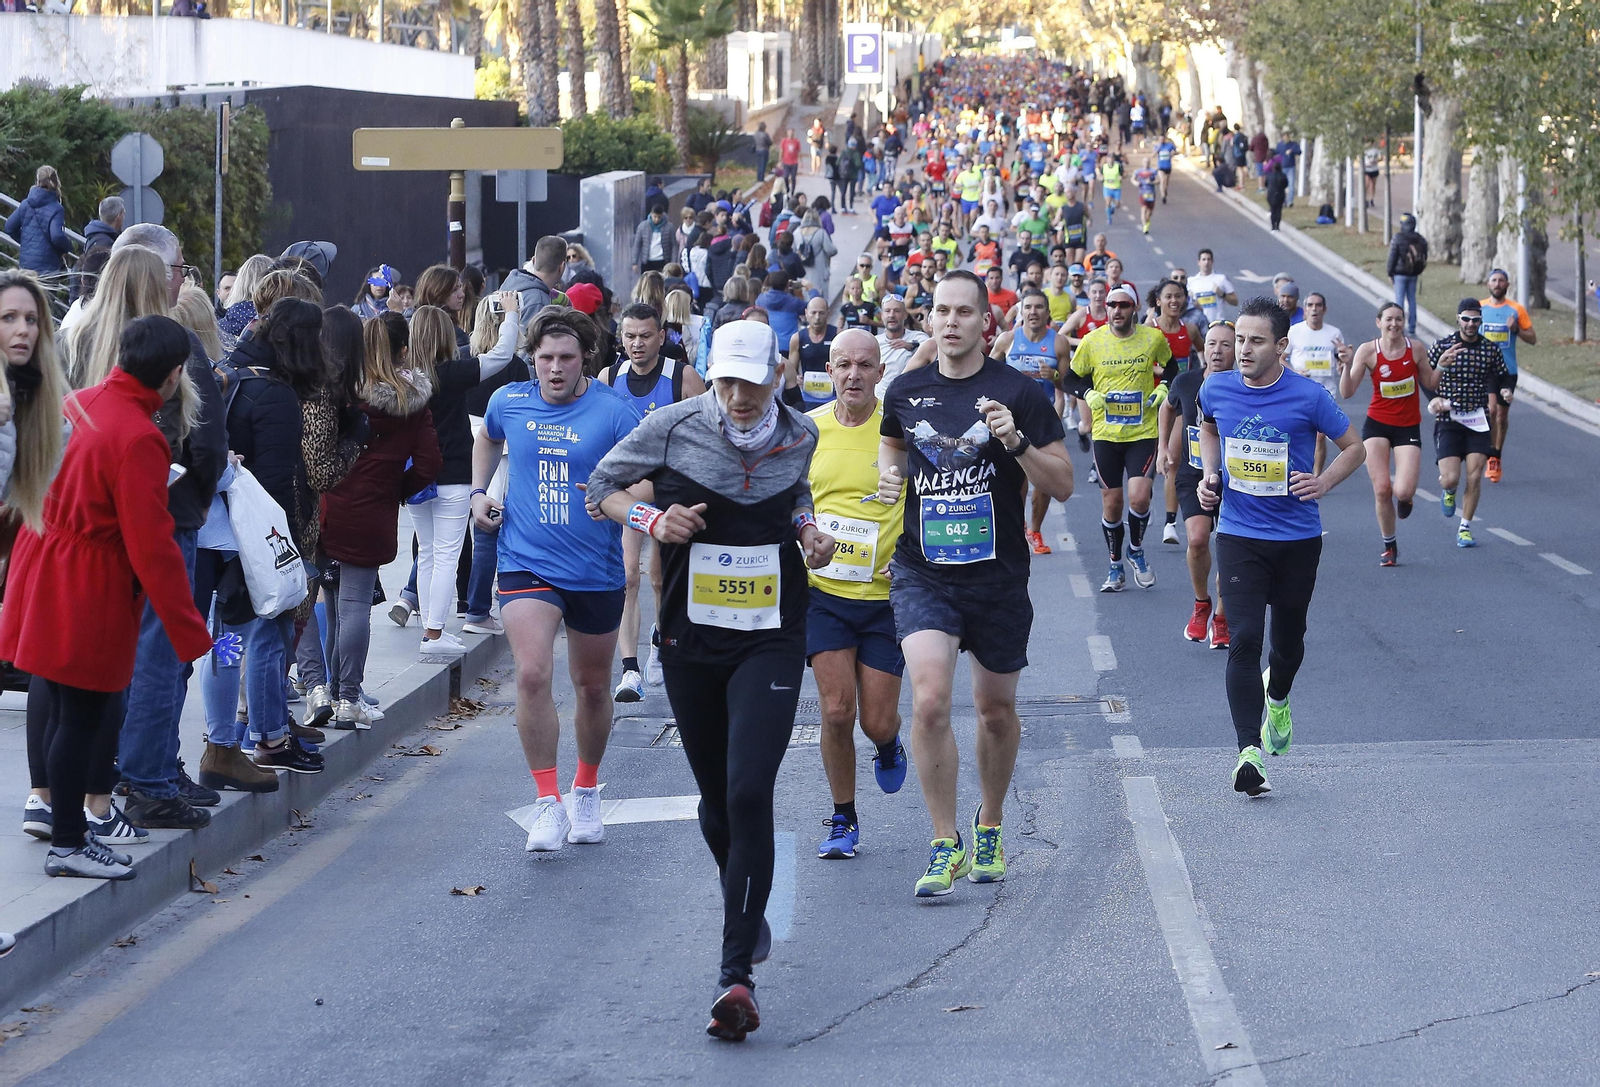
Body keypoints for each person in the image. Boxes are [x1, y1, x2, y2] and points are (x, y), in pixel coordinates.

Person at [585, 320, 836, 1042]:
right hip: (692, 639)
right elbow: (599, 487)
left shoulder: (801, 433)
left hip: (774, 635)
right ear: (709, 375)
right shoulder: (669, 427)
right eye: (726, 381)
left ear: (777, 375)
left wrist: (808, 529)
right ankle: (746, 904)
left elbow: (795, 499)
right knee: (718, 803)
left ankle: (736, 974)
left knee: (750, 788)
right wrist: (652, 517)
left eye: (752, 382)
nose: (739, 397)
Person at [875, 271, 1072, 898]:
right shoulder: (905, 391)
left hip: (998, 577)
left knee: (995, 709)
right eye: (941, 311)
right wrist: (888, 480)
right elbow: (892, 452)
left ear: (987, 322)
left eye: (964, 312)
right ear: (929, 321)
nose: (951, 321)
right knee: (929, 701)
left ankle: (990, 823)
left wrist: (1015, 443)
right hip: (923, 572)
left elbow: (1063, 483)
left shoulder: (1018, 392)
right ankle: (944, 841)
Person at [1, 316, 220, 879]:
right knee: (82, 716)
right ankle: (70, 844)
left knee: (62, 708)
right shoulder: (142, 436)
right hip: (89, 582)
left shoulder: (79, 401)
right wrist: (190, 631)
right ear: (172, 378)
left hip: (45, 559)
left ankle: (67, 832)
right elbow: (153, 547)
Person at [470, 307, 643, 857]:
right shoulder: (509, 402)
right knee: (531, 674)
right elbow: (487, 441)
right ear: (532, 360)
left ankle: (585, 788)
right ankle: (547, 801)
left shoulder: (614, 413)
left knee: (592, 686)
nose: (555, 368)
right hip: (526, 561)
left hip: (595, 570)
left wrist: (618, 507)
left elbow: (645, 483)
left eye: (566, 357)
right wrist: (479, 493)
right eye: (545, 358)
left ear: (584, 358)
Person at [1196, 298, 1365, 797]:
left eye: (1255, 341)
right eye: (1239, 340)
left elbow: (1353, 448)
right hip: (1239, 533)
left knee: (1287, 644)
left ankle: (1280, 695)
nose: (1242, 350)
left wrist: (1324, 482)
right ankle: (1248, 753)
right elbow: (1207, 426)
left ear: (1281, 346)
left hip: (1296, 538)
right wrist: (1210, 474)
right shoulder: (1216, 387)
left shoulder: (1308, 397)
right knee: (1244, 637)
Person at [309, 311, 441, 730]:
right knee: (354, 608)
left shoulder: (341, 394)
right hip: (374, 511)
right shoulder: (412, 402)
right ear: (403, 351)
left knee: (325, 602)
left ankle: (323, 688)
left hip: (328, 504)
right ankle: (348, 695)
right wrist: (397, 487)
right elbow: (429, 462)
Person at [807, 330, 908, 860]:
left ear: (879, 372)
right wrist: (802, 537)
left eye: (864, 366)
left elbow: (928, 500)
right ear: (829, 369)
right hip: (823, 594)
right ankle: (843, 817)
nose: (853, 375)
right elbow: (793, 502)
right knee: (837, 709)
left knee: (875, 720)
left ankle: (889, 743)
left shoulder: (898, 432)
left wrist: (908, 554)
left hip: (886, 598)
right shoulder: (809, 430)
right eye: (843, 365)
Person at [599, 303, 707, 700]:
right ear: (620, 338)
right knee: (628, 576)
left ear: (662, 337)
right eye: (630, 336)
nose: (637, 344)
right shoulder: (610, 377)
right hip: (627, 496)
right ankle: (629, 671)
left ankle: (660, 642)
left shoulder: (682, 376)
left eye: (646, 336)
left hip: (669, 495)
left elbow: (709, 433)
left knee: (660, 578)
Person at [1065, 284, 1173, 592]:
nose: (1116, 310)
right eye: (1112, 304)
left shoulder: (1152, 338)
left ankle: (1135, 550)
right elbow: (1072, 377)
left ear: (1134, 308)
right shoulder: (1092, 341)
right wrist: (1087, 393)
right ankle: (1115, 566)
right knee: (1112, 503)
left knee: (1139, 497)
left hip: (1143, 430)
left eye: (1123, 305)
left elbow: (1173, 367)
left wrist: (1163, 387)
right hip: (1106, 433)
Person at [1339, 302, 1434, 566]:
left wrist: (1443, 366)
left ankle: (1406, 499)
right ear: (1378, 322)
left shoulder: (1415, 349)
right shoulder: (1368, 351)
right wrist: (1347, 366)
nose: (1394, 324)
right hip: (1377, 425)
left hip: (1407, 427)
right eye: (1389, 319)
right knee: (1382, 489)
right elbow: (1347, 392)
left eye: (1399, 319)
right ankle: (1389, 545)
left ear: (1404, 323)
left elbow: (1430, 382)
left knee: (1402, 491)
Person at [1161, 320, 1234, 647]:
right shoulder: (1187, 381)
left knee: (1232, 550)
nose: (1217, 350)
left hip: (1235, 478)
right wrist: (1163, 446)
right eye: (1212, 344)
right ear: (1203, 348)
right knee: (1198, 539)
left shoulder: (1244, 385)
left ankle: (1222, 615)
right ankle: (1201, 603)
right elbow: (1167, 406)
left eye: (1225, 345)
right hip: (1194, 473)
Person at [992, 288, 1073, 555]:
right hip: (1011, 419)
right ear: (1021, 311)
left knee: (1043, 479)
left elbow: (1068, 384)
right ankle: (1016, 526)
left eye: (1039, 307)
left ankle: (1035, 530)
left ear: (1048, 313)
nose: (1033, 312)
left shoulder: (1058, 342)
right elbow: (986, 373)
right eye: (1028, 307)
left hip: (1042, 419)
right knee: (1017, 479)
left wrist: (1054, 378)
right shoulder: (1007, 340)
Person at [1428, 299, 1512, 549]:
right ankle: (1449, 491)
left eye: (1476, 320)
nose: (1471, 324)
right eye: (1466, 319)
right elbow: (1425, 376)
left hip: (1477, 419)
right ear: (1458, 319)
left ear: (1481, 321)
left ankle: (1464, 527)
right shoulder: (1443, 345)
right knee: (1450, 478)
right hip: (1448, 420)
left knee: (1475, 476)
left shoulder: (1489, 349)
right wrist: (1435, 400)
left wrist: (1506, 389)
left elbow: (1502, 373)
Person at [1284, 292, 1353, 474]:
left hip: (1325, 390)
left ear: (1324, 309)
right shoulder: (1295, 331)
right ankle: (1295, 466)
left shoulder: (1334, 333)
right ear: (1305, 310)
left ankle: (1315, 475)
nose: (1314, 309)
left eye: (1318, 305)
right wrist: (1295, 372)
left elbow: (1340, 358)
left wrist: (1342, 362)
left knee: (1320, 435)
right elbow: (1281, 358)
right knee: (1297, 431)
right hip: (1299, 389)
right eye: (1310, 305)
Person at [1479, 268, 1535, 482]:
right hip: (1486, 370)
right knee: (1491, 410)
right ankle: (1490, 453)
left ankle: (1497, 455)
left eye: (1501, 280)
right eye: (1494, 280)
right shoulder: (1480, 308)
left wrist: (1517, 330)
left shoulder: (1516, 309)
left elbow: (1532, 338)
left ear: (1507, 285)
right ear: (1488, 284)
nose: (1497, 284)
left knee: (1502, 415)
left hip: (1508, 370)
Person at [3, 166, 73, 275]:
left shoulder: (26, 203)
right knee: (45, 292)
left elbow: (9, 227)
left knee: (27, 291)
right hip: (47, 268)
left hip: (26, 266)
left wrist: (28, 241)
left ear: (37, 181)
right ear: (56, 182)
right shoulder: (56, 208)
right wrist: (69, 247)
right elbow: (57, 236)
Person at [786, 296, 837, 409]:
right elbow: (791, 371)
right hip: (808, 397)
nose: (817, 317)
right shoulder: (798, 338)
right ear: (806, 313)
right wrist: (796, 378)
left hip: (832, 397)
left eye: (821, 313)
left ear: (828, 314)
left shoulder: (837, 335)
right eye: (813, 313)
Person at [874, 295, 928, 394]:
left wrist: (910, 346)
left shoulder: (919, 337)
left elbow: (932, 352)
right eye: (887, 311)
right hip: (881, 402)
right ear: (882, 315)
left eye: (897, 311)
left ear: (905, 315)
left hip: (910, 401)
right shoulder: (874, 342)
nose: (892, 315)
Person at [1388, 213, 1429, 336]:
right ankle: (1412, 327)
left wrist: (1390, 273)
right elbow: (1424, 256)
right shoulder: (1420, 239)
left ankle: (1399, 327)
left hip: (1399, 274)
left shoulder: (1398, 238)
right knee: (1412, 300)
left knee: (1399, 301)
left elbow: (1392, 257)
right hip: (1414, 274)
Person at [794, 210, 837, 301]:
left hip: (801, 269)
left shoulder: (797, 232)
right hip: (818, 269)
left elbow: (793, 250)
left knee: (804, 292)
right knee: (818, 294)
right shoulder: (821, 233)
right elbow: (830, 250)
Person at [1189, 249, 1237, 327]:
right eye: (1204, 259)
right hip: (1198, 323)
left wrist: (1222, 294)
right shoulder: (1191, 281)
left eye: (1209, 259)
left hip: (1217, 323)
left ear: (1212, 262)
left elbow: (1235, 302)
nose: (1206, 262)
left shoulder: (1221, 279)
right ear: (1199, 262)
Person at [633, 204, 678, 278]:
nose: (657, 219)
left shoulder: (669, 227)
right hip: (647, 261)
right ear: (651, 214)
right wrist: (634, 262)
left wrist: (673, 262)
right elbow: (637, 245)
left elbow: (674, 245)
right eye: (655, 217)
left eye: (659, 217)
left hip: (663, 261)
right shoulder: (642, 226)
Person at [1134, 157, 1160, 233]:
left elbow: (1158, 180)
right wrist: (1136, 183)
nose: (1146, 163)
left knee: (1149, 212)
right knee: (1143, 210)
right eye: (1145, 162)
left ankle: (1147, 222)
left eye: (1148, 162)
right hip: (1142, 193)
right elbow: (1133, 179)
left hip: (1151, 193)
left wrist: (1151, 182)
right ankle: (1145, 226)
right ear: (1142, 163)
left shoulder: (1153, 171)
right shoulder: (1138, 171)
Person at [1264, 158, 1289, 231]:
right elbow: (1286, 184)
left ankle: (1272, 225)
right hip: (1280, 194)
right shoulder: (1283, 176)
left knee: (1272, 210)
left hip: (1271, 194)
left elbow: (1266, 184)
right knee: (1278, 210)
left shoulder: (1269, 175)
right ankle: (1277, 225)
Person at [1155, 132, 1177, 202]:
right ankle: (1163, 196)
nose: (1161, 141)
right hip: (1160, 167)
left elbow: (1175, 151)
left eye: (1163, 139)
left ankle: (1165, 190)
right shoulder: (1157, 146)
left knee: (1166, 182)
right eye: (1160, 139)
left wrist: (1173, 153)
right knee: (1162, 181)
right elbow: (1153, 155)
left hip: (1168, 166)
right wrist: (1157, 150)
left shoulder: (1169, 145)